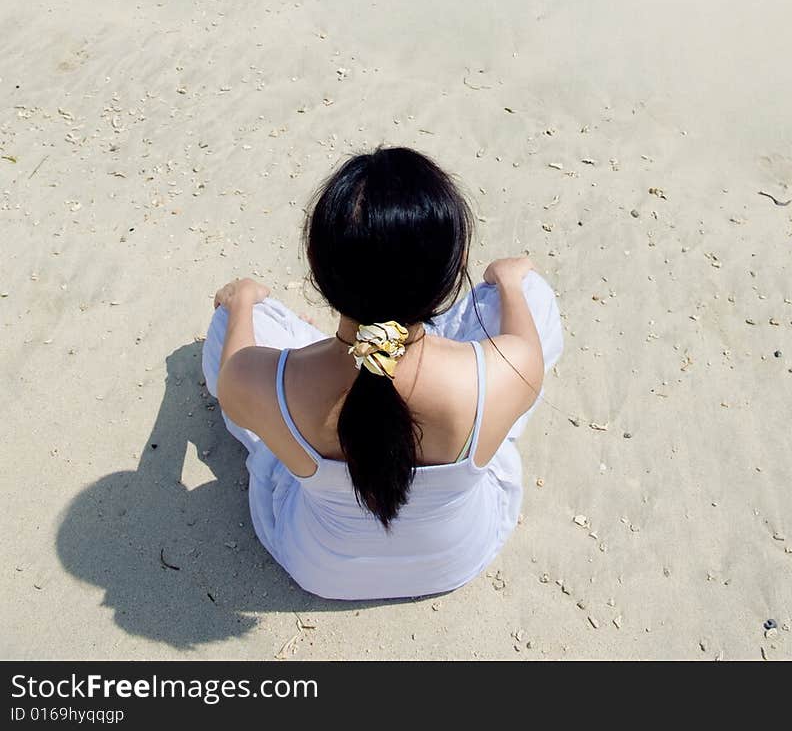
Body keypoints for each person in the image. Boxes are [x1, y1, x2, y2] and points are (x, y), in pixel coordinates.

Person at [202, 146, 563, 600]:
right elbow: (525, 337)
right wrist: (508, 282)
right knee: (529, 296)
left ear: (317, 266)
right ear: (457, 263)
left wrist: (240, 304)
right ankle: (486, 421)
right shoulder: (510, 367)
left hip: (321, 566)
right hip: (456, 557)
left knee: (236, 346)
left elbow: (233, 364)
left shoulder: (253, 380)